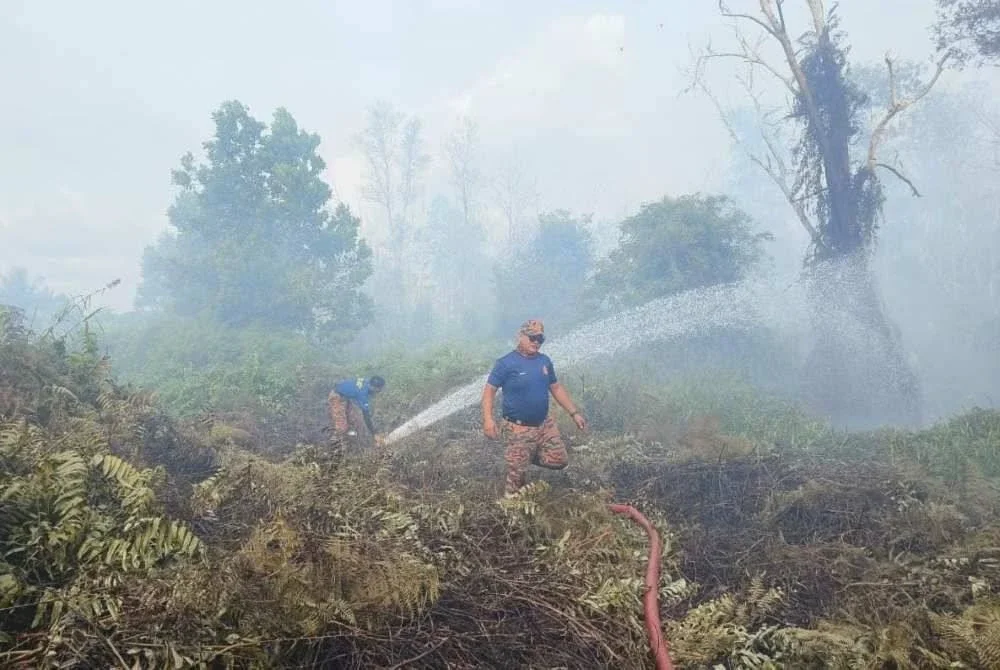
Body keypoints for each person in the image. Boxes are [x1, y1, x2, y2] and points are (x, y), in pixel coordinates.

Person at [481, 319, 587, 494]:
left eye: (540, 339)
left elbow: (556, 387)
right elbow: (488, 392)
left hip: (544, 425)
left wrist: (574, 413)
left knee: (559, 460)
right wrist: (488, 419)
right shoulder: (505, 363)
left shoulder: (544, 361)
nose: (536, 342)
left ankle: (525, 456)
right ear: (520, 336)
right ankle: (512, 511)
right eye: (532, 338)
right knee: (516, 482)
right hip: (518, 428)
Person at [329, 375, 386, 446]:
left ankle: (351, 437)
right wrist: (374, 433)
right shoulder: (362, 393)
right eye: (379, 389)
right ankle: (335, 444)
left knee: (356, 420)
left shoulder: (367, 382)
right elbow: (366, 416)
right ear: (373, 387)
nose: (379, 391)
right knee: (342, 426)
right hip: (337, 397)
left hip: (345, 397)